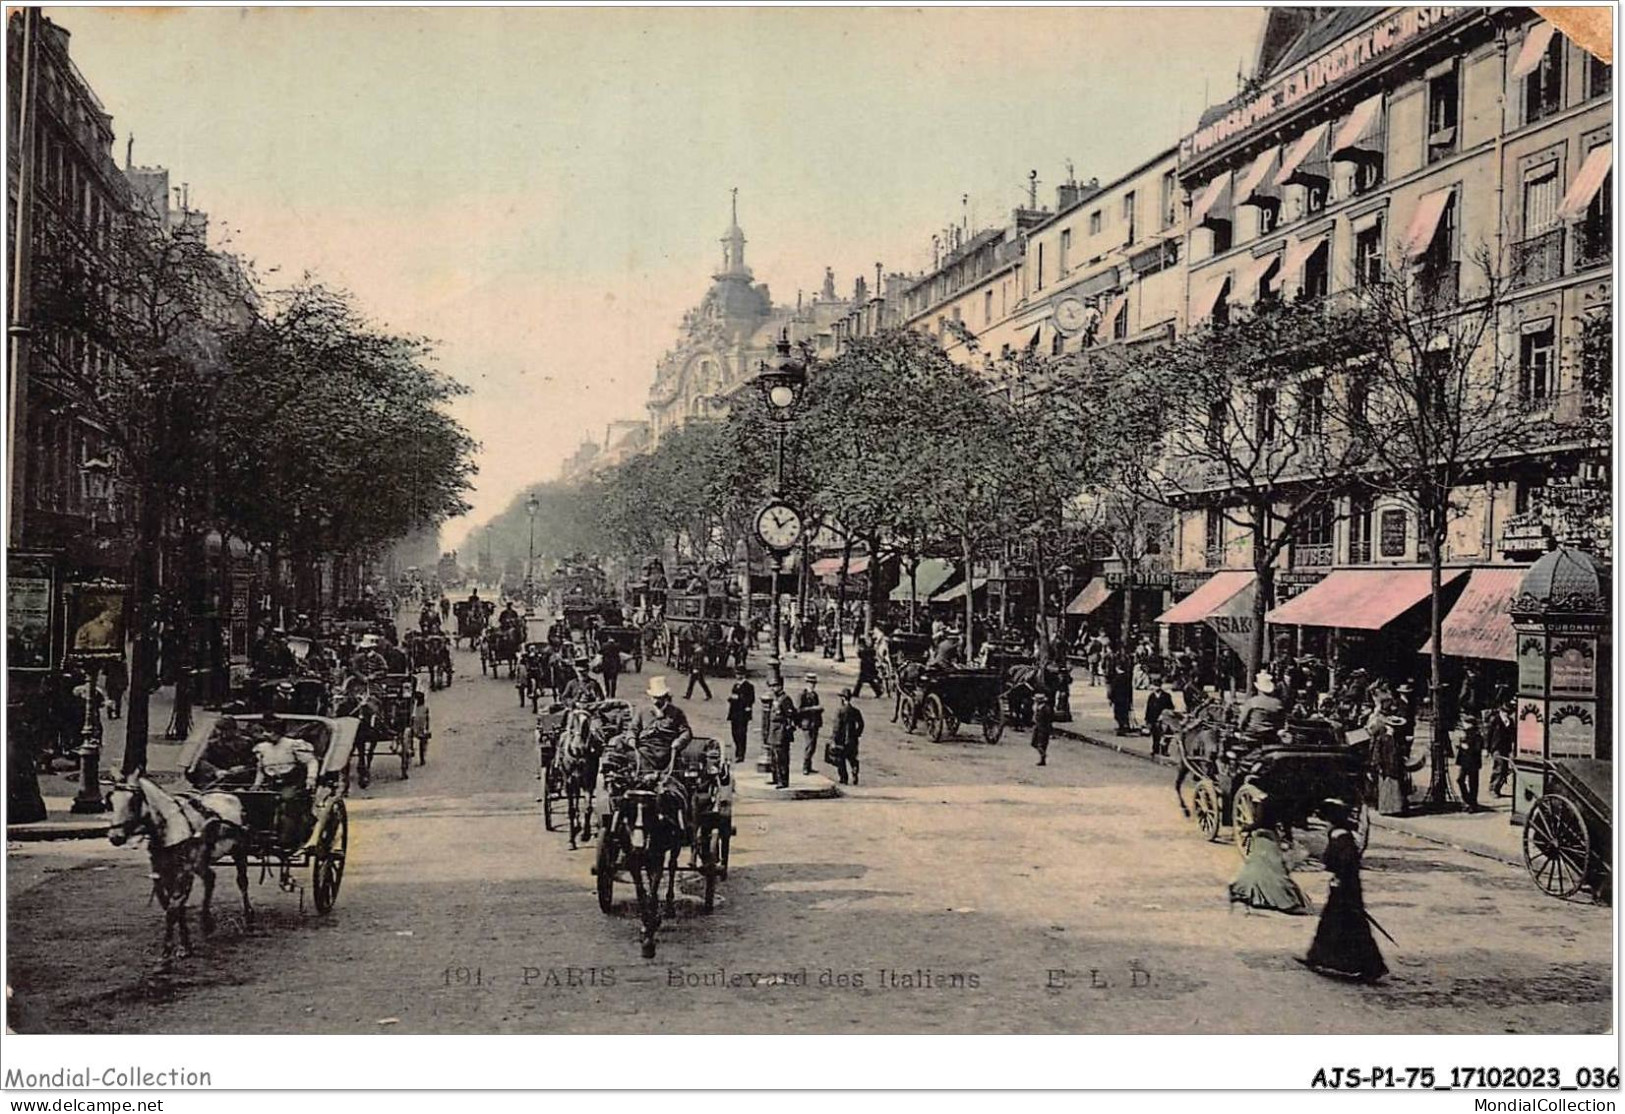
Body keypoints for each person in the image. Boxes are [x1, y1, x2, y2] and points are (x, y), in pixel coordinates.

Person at [1302, 799, 1388, 983]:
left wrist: (1340, 878)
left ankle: (1369, 966)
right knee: (1337, 924)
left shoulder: (1340, 838)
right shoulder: (1342, 835)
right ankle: (1319, 957)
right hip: (1345, 887)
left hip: (1344, 889)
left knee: (1348, 926)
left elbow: (1344, 861)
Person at [251, 713, 320, 848]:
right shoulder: (262, 748)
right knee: (257, 800)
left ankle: (287, 838)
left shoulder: (292, 744)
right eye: (264, 731)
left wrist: (311, 779)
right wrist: (256, 785)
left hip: (292, 783)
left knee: (287, 801)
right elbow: (260, 769)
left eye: (269, 731)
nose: (266, 734)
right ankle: (260, 835)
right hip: (271, 782)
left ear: (278, 732)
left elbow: (311, 762)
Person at [1228, 805, 1312, 915]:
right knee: (1273, 869)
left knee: (1259, 867)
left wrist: (1246, 827)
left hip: (1263, 838)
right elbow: (1286, 824)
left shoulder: (1265, 803)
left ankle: (1243, 889)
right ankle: (1284, 900)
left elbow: (1261, 822)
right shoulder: (1285, 803)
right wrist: (1288, 837)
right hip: (1272, 838)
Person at [1372, 714, 1409, 816]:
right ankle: (1387, 809)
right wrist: (1378, 764)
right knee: (1387, 787)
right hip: (1386, 765)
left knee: (1396, 787)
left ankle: (1396, 808)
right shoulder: (1383, 738)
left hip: (1396, 765)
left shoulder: (1397, 739)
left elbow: (1401, 751)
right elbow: (1377, 752)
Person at [765, 676, 798, 788]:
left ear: (780, 686)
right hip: (774, 731)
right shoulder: (775, 698)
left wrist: (788, 726)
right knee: (774, 758)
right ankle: (775, 778)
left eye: (775, 686)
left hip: (781, 732)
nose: (773, 688)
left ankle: (783, 781)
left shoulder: (785, 699)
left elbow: (791, 714)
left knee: (781, 758)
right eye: (772, 686)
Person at [828, 688, 864, 785]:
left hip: (841, 740)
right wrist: (857, 734)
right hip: (853, 740)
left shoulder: (839, 711)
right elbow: (861, 724)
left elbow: (836, 727)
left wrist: (833, 739)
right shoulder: (855, 711)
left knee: (841, 760)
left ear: (843, 698)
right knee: (852, 758)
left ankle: (844, 778)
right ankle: (855, 771)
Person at [1236, 672, 1286, 737]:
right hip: (1271, 734)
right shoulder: (1278, 703)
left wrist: (1239, 728)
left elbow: (1242, 720)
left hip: (1252, 733)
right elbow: (1281, 722)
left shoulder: (1252, 701)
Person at [1486, 696, 1515, 798]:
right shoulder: (1495, 720)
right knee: (1499, 767)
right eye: (1505, 712)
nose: (1506, 714)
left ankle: (1497, 788)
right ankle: (1493, 788)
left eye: (1508, 712)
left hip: (1506, 748)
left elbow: (1512, 735)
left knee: (1505, 769)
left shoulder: (1510, 722)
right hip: (1496, 747)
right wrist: (1486, 749)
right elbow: (1488, 735)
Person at [796, 674, 824, 776]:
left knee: (813, 745)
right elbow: (799, 710)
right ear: (806, 683)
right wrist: (813, 708)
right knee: (809, 745)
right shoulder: (802, 695)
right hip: (806, 723)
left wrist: (819, 710)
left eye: (813, 683)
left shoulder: (815, 695)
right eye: (810, 683)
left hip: (815, 723)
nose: (812, 685)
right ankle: (805, 766)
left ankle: (809, 765)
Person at [1455, 712, 1484, 810]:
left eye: (1465, 723)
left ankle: (1472, 803)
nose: (1463, 724)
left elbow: (1477, 748)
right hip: (1465, 762)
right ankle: (1468, 800)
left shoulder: (1476, 735)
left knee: (1473, 783)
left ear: (1470, 724)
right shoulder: (1465, 733)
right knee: (1460, 780)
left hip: (1473, 762)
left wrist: (1466, 747)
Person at [726, 676, 756, 764]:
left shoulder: (749, 686)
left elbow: (750, 699)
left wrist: (739, 698)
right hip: (734, 713)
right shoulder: (736, 685)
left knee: (741, 734)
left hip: (742, 714)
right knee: (734, 733)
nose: (737, 676)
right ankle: (737, 751)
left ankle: (740, 754)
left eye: (739, 674)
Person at [1145, 679, 1176, 757]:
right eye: (1154, 686)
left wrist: (1165, 715)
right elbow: (1148, 708)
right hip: (1153, 718)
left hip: (1164, 719)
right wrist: (1147, 719)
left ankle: (1164, 750)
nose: (1154, 687)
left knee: (1165, 735)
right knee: (1155, 735)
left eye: (1156, 686)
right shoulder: (1151, 696)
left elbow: (1171, 707)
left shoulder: (1166, 696)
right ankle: (1155, 750)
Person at [1106, 652, 1133, 735]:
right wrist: (1130, 700)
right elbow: (1130, 690)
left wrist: (1110, 699)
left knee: (1118, 714)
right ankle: (1126, 726)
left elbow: (1112, 690)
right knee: (1125, 713)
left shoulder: (1116, 679)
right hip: (1125, 700)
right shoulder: (1127, 677)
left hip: (1118, 700)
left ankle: (1122, 727)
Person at [1030, 682, 1053, 767]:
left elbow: (1049, 719)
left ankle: (1043, 757)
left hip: (1043, 728)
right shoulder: (1038, 707)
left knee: (1040, 744)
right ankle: (1042, 756)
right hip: (1038, 726)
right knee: (1034, 743)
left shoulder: (1045, 708)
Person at [410, 690, 431, 766]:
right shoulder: (425, 708)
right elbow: (427, 720)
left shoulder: (412, 708)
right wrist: (427, 729)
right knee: (422, 740)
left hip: (414, 727)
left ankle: (413, 751)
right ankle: (422, 759)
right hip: (419, 728)